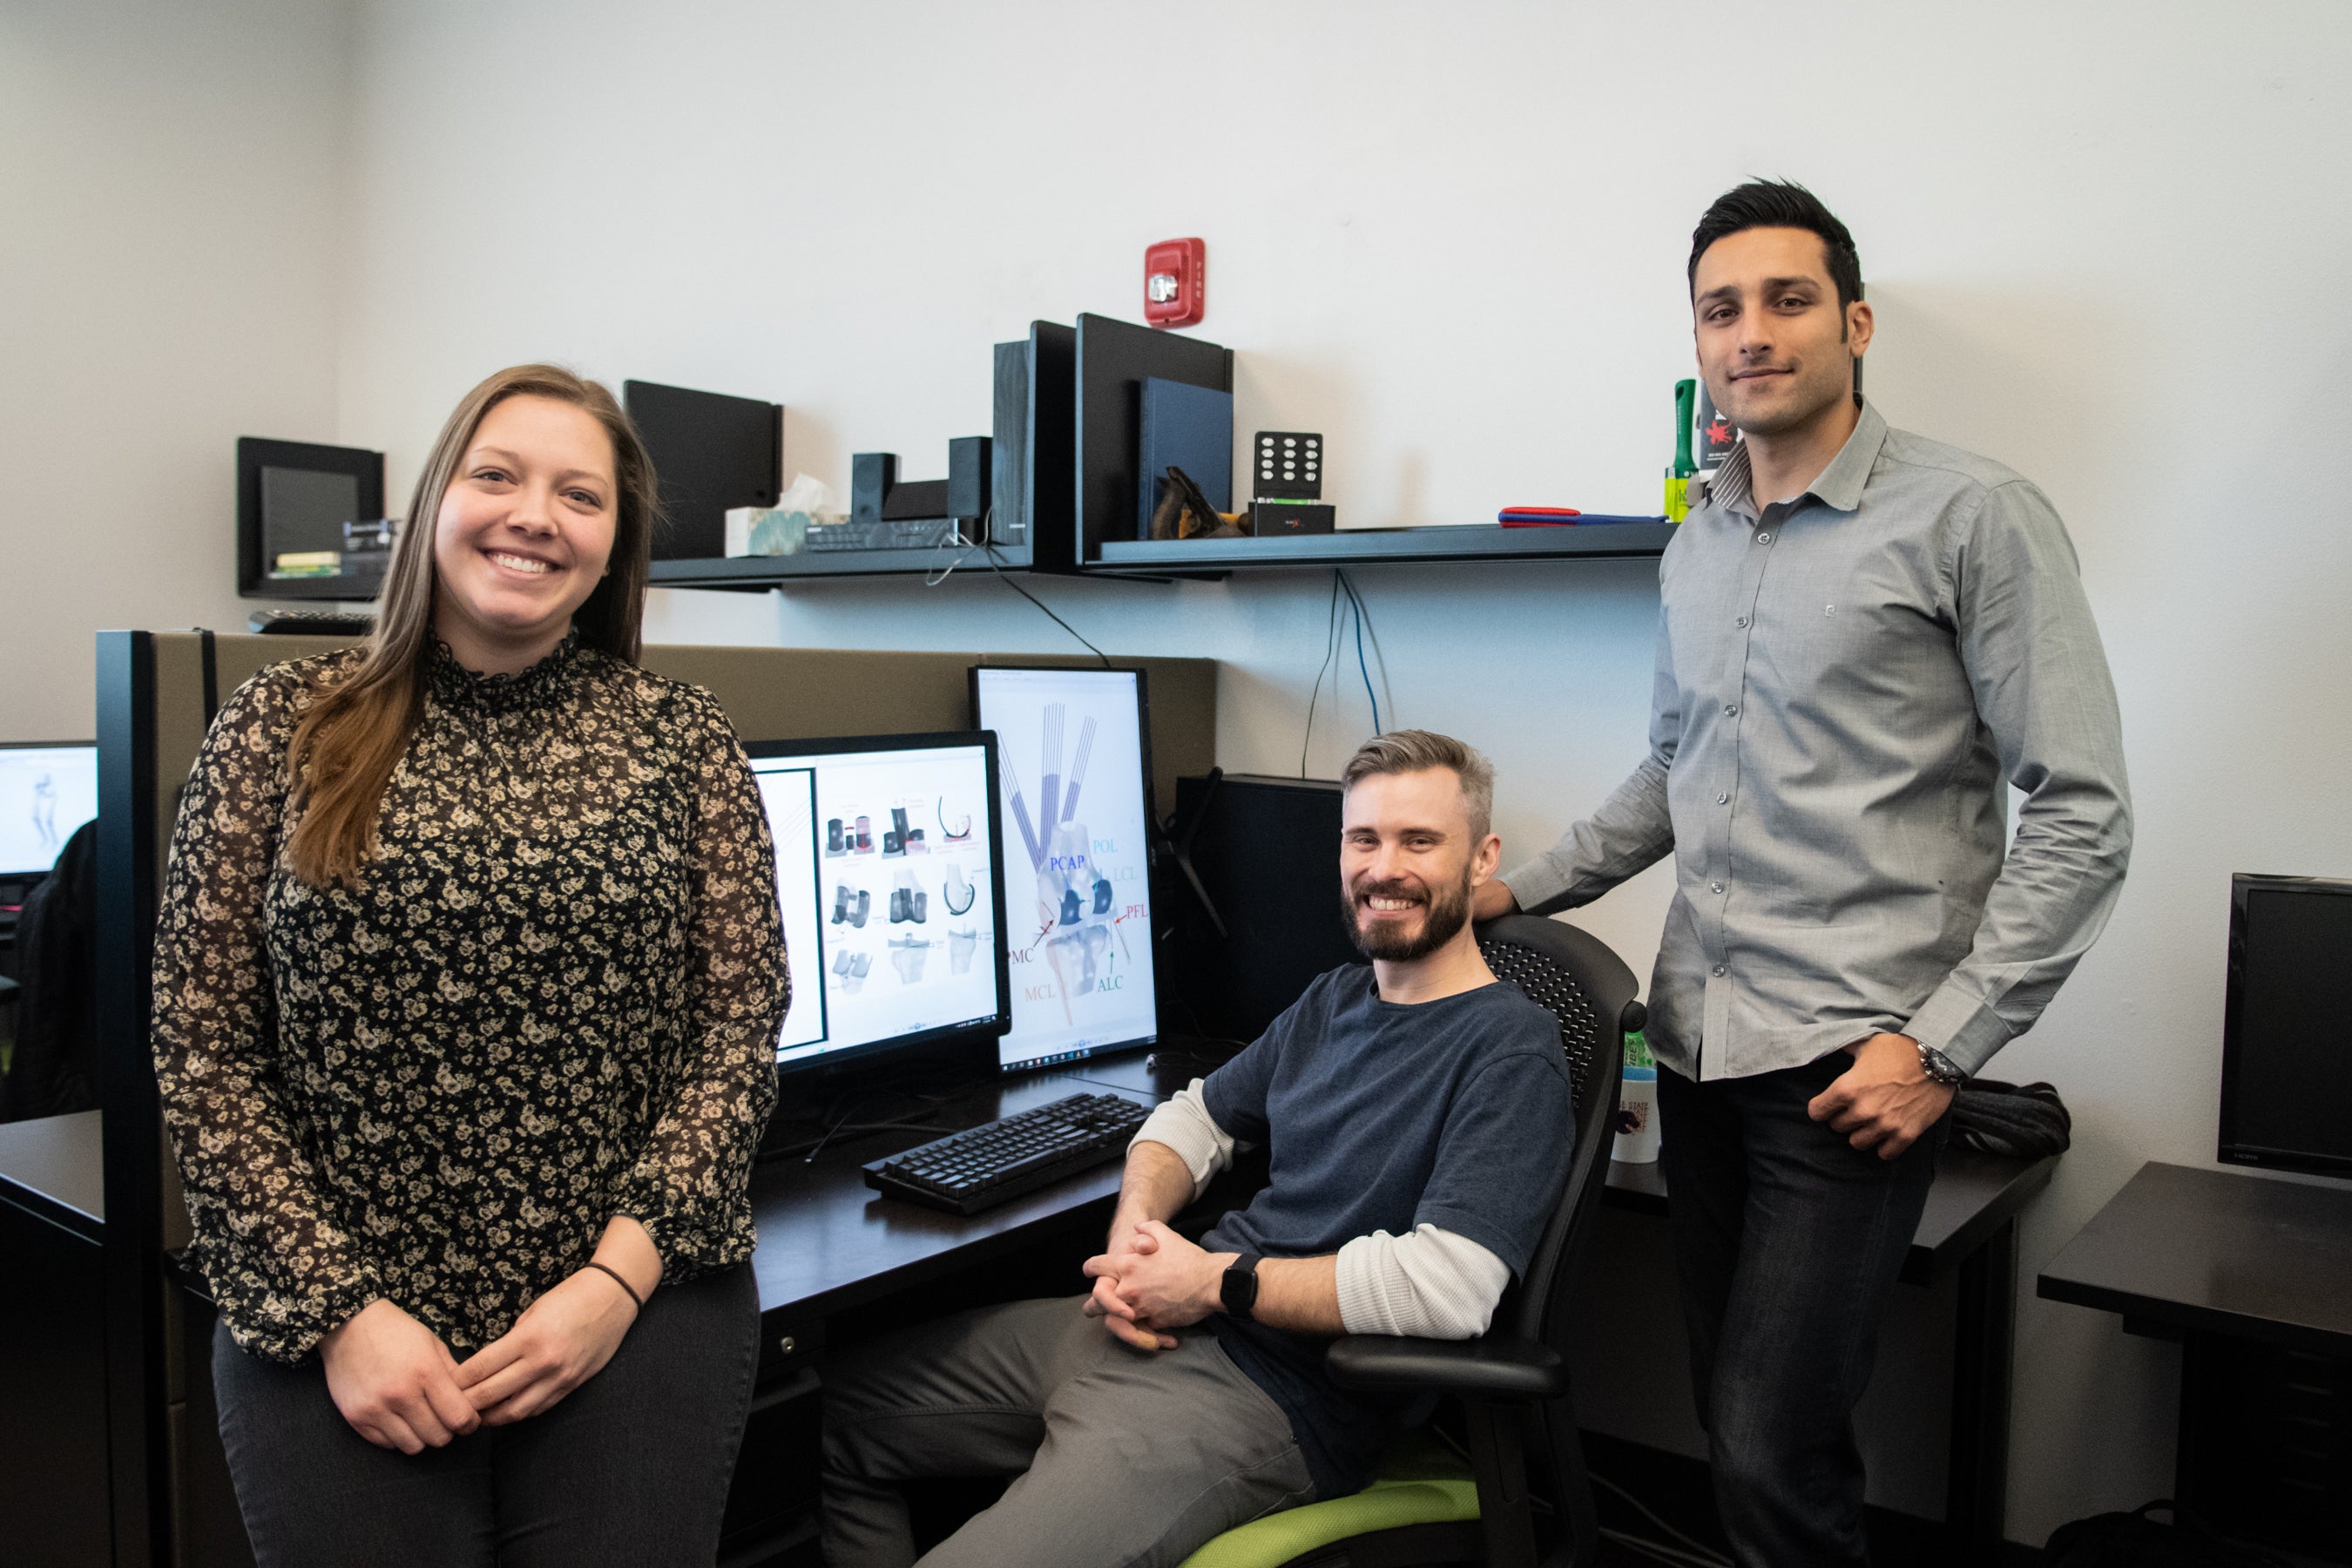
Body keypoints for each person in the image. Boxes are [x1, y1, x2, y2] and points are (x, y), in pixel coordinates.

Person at [1473, 181, 2132, 1565]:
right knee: (1742, 1424)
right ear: (1698, 343)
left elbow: (2080, 812)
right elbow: (1673, 770)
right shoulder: (1695, 541)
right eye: (1723, 309)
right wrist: (1513, 892)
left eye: (1786, 300)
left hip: (1855, 1066)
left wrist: (1941, 1052)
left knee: (1776, 1448)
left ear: (1856, 321)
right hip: (1703, 1043)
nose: (1752, 332)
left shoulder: (1975, 516)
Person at [151, 364, 791, 1567]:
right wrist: (341, 1314)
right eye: (497, 475)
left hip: (633, 1304)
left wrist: (613, 1283)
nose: (534, 515)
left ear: (613, 545)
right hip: (333, 1311)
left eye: (579, 495)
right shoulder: (280, 723)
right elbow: (202, 1047)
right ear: (434, 501)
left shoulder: (683, 739)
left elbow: (740, 1027)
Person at [822, 730, 1574, 1568]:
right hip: (1147, 1327)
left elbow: (1450, 1290)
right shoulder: (1335, 998)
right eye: (1363, 839)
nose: (1383, 867)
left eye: (1418, 841)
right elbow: (1194, 1119)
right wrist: (1135, 1233)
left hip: (1270, 1398)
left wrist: (1214, 1282)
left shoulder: (1511, 1049)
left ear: (1482, 859)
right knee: (823, 1415)